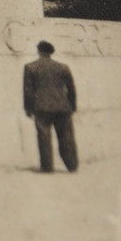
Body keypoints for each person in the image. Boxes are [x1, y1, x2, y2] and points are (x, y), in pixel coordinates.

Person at [23, 40, 79, 173]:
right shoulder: (63, 67)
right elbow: (71, 88)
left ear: (39, 51)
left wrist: (28, 109)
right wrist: (72, 106)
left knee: (44, 137)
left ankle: (47, 168)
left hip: (41, 107)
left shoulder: (30, 67)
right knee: (66, 136)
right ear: (51, 52)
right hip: (63, 107)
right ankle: (72, 166)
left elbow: (28, 91)